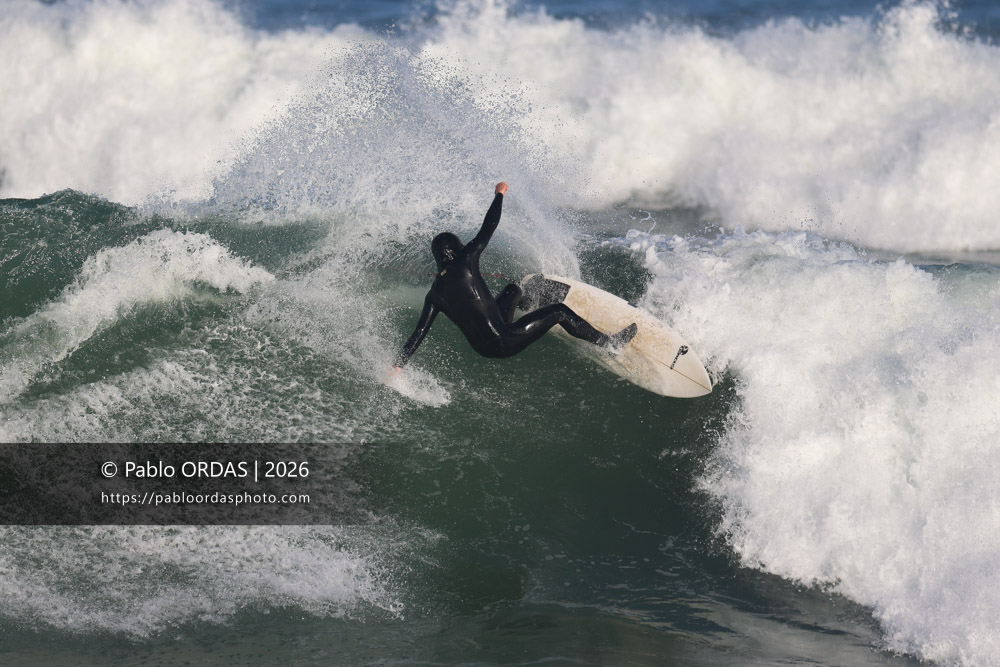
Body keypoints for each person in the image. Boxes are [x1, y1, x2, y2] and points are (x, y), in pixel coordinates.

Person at [392, 182, 636, 371]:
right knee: (559, 311)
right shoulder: (465, 260)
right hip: (504, 341)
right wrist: (499, 194)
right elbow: (489, 226)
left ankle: (527, 301)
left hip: (484, 348)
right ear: (455, 249)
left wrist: (398, 365)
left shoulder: (434, 293)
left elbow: (418, 333)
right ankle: (609, 344)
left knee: (512, 289)